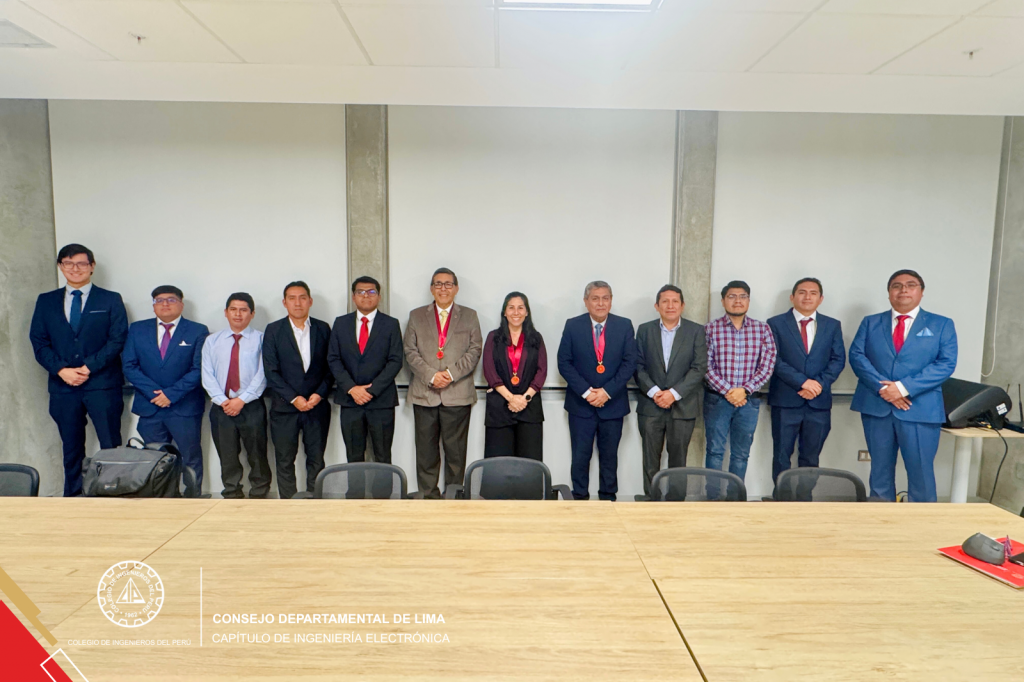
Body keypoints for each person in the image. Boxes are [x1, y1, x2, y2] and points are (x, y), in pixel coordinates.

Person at [849, 269, 957, 502]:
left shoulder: (941, 324)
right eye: (896, 286)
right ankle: (881, 518)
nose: (903, 290)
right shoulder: (870, 322)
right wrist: (884, 389)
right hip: (877, 406)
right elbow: (857, 356)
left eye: (911, 285)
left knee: (921, 473)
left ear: (921, 292)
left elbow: (946, 364)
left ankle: (922, 521)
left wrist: (903, 388)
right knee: (879, 472)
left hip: (920, 409)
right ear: (889, 292)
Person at [29, 244, 128, 496]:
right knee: (71, 448)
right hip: (63, 386)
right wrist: (62, 370)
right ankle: (72, 497)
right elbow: (39, 342)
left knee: (110, 445)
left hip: (102, 384)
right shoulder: (46, 301)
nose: (75, 268)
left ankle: (113, 496)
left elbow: (117, 339)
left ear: (92, 267)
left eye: (82, 263)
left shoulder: (110, 299)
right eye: (68, 263)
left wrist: (88, 367)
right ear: (60, 266)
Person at [403, 268, 482, 499]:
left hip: (457, 394)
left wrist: (449, 374)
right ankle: (429, 499)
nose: (443, 288)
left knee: (456, 455)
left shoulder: (469, 315)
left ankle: (453, 499)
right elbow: (409, 351)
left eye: (448, 284)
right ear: (431, 288)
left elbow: (475, 350)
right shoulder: (417, 315)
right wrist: (431, 375)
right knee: (426, 454)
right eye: (438, 284)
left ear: (456, 288)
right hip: (424, 394)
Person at [557, 281, 637, 501]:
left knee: (610, 458)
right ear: (586, 301)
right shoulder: (573, 325)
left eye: (605, 298)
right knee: (580, 457)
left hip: (613, 404)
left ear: (611, 301)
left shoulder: (624, 325)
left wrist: (606, 392)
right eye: (595, 298)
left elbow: (630, 363)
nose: (601, 303)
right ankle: (579, 499)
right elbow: (564, 362)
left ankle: (608, 500)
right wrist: (587, 392)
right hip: (581, 405)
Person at [122, 285, 209, 486]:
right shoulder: (137, 329)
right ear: (153, 306)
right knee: (154, 460)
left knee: (190, 457)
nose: (165, 304)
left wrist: (170, 394)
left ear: (181, 304)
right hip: (150, 406)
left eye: (171, 300)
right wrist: (155, 394)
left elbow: (199, 369)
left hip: (184, 407)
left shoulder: (197, 330)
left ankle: (192, 497)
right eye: (159, 300)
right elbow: (129, 366)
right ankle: (161, 499)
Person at [766, 278, 846, 486]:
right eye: (802, 292)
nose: (807, 297)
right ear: (792, 297)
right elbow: (773, 359)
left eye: (813, 293)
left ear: (821, 299)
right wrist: (803, 382)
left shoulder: (832, 325)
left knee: (811, 457)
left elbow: (838, 360)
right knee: (781, 456)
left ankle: (805, 499)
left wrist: (817, 385)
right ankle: (782, 498)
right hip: (786, 401)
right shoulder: (775, 323)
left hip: (818, 402)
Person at [634, 284, 708, 497]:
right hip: (651, 405)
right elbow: (637, 366)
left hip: (683, 406)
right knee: (650, 460)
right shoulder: (645, 330)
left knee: (678, 460)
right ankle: (651, 500)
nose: (670, 305)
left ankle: (676, 504)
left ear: (682, 306)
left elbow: (699, 367)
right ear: (656, 306)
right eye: (665, 301)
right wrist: (655, 392)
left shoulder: (695, 331)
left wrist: (673, 394)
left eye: (675, 301)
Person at [262, 281, 334, 500]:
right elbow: (271, 371)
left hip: (316, 406)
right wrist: (294, 398)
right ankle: (289, 506)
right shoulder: (274, 330)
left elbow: (331, 367)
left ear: (310, 301)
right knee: (285, 460)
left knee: (316, 460)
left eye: (302, 298)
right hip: (284, 408)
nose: (298, 303)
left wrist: (319, 394)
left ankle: (315, 502)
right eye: (292, 298)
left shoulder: (323, 328)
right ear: (284, 303)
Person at [703, 280, 777, 486]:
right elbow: (705, 366)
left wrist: (744, 390)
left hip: (748, 402)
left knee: (741, 454)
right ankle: (712, 499)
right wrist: (729, 391)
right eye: (732, 296)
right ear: (723, 301)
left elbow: (767, 365)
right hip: (717, 400)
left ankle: (735, 498)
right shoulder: (710, 329)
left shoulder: (762, 329)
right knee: (714, 451)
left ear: (749, 300)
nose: (738, 301)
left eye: (743, 296)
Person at [327, 276, 403, 469]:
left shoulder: (391, 324)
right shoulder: (341, 323)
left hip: (381, 401)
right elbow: (333, 359)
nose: (366, 296)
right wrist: (352, 388)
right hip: (350, 401)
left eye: (371, 292)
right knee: (353, 457)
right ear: (353, 297)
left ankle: (383, 490)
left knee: (383, 456)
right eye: (360, 292)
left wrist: (371, 390)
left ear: (379, 296)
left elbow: (395, 360)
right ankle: (355, 490)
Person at [201, 293, 270, 499]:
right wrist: (223, 401)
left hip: (251, 405)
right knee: (227, 455)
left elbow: (263, 373)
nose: (238, 314)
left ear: (252, 313)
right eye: (233, 309)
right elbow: (207, 374)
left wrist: (241, 400)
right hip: (221, 406)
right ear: (226, 312)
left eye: (243, 310)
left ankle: (259, 494)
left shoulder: (262, 339)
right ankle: (232, 495)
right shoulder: (212, 341)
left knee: (257, 454)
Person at [482, 292, 547, 460]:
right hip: (499, 408)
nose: (516, 312)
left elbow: (542, 371)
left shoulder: (536, 338)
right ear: (504, 312)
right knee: (498, 464)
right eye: (511, 308)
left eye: (520, 308)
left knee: (529, 463)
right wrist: (511, 398)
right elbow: (489, 371)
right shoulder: (493, 337)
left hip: (529, 408)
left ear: (527, 312)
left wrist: (524, 399)